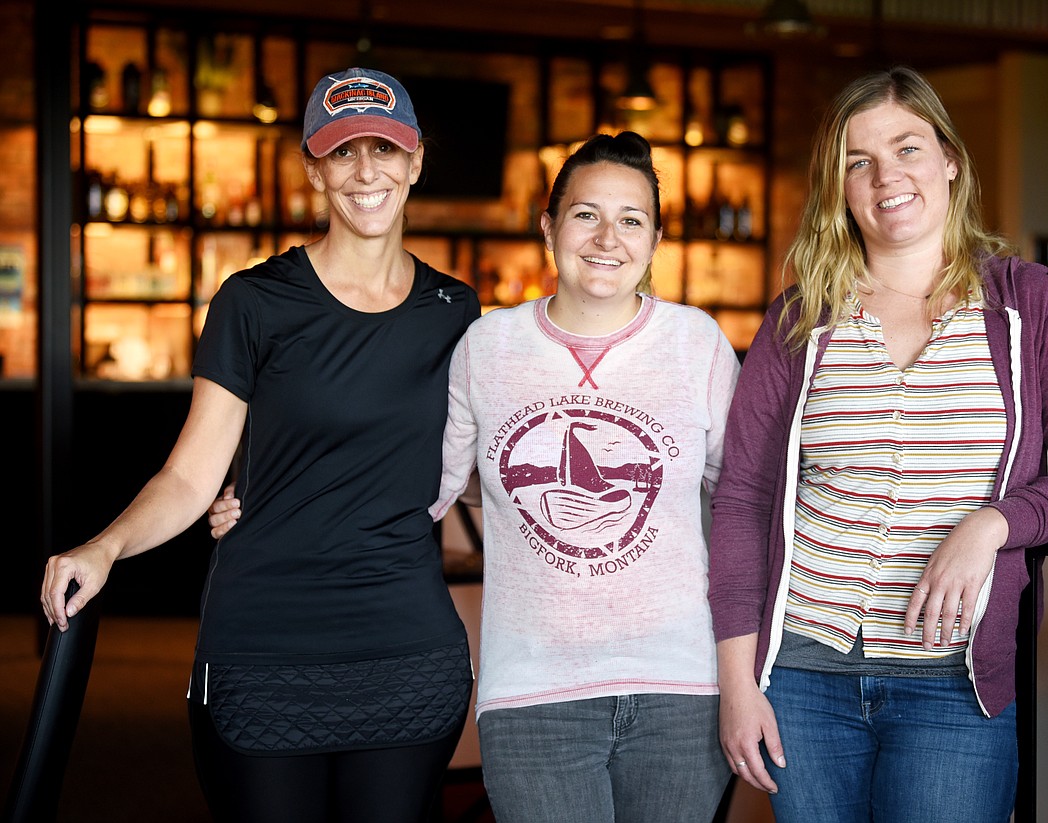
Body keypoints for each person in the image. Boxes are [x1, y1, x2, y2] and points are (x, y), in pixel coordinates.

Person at [41, 67, 479, 823]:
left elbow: (478, 468)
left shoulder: (456, 309)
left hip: (407, 651)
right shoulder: (254, 301)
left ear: (416, 162)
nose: (366, 171)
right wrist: (104, 547)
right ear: (313, 167)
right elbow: (187, 474)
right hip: (266, 648)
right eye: (343, 152)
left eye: (385, 149)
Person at [707, 65, 1048, 823]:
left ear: (951, 162)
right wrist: (739, 684)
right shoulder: (799, 320)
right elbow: (741, 499)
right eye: (858, 161)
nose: (886, 177)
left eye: (907, 148)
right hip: (804, 674)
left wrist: (992, 524)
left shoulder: (1031, 305)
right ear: (837, 186)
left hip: (954, 680)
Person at [431, 130, 739, 822]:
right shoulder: (488, 346)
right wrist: (274, 500)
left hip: (681, 687)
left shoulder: (697, 345)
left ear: (656, 240)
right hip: (533, 692)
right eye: (585, 214)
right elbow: (429, 487)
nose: (608, 237)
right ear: (549, 226)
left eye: (632, 219)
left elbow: (745, 502)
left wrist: (746, 669)